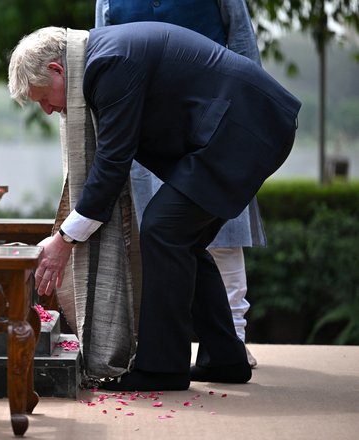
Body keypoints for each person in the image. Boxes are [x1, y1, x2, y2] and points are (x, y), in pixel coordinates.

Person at [8, 23, 300, 391]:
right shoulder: (101, 57)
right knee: (182, 240)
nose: (48, 111)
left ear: (57, 69)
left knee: (164, 230)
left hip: (246, 125)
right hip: (241, 125)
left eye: (43, 98)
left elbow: (113, 161)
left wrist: (64, 240)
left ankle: (163, 367)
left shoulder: (108, 63)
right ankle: (225, 358)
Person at [94, 0, 264, 367]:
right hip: (151, 132)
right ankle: (162, 345)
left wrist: (249, 120)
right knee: (157, 239)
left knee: (223, 236)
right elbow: (102, 59)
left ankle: (233, 338)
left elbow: (244, 47)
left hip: (220, 119)